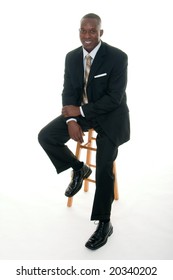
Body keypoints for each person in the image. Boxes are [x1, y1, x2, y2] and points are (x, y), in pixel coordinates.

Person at [38, 13, 130, 250]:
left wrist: (79, 110)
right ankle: (80, 168)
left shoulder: (118, 57)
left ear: (101, 33)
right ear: (79, 31)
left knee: (105, 165)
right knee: (46, 136)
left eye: (92, 31)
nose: (87, 36)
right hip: (81, 113)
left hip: (111, 117)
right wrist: (71, 119)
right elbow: (68, 90)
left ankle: (104, 222)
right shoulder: (71, 57)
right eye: (83, 31)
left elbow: (115, 98)